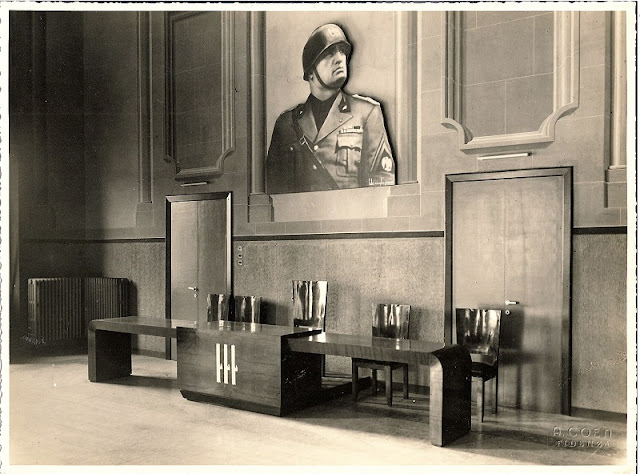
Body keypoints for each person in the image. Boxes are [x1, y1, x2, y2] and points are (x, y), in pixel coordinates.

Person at [266, 23, 396, 194]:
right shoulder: (287, 123)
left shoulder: (366, 113)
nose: (340, 58)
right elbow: (274, 188)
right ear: (310, 71)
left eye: (342, 51)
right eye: (329, 53)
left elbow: (381, 183)